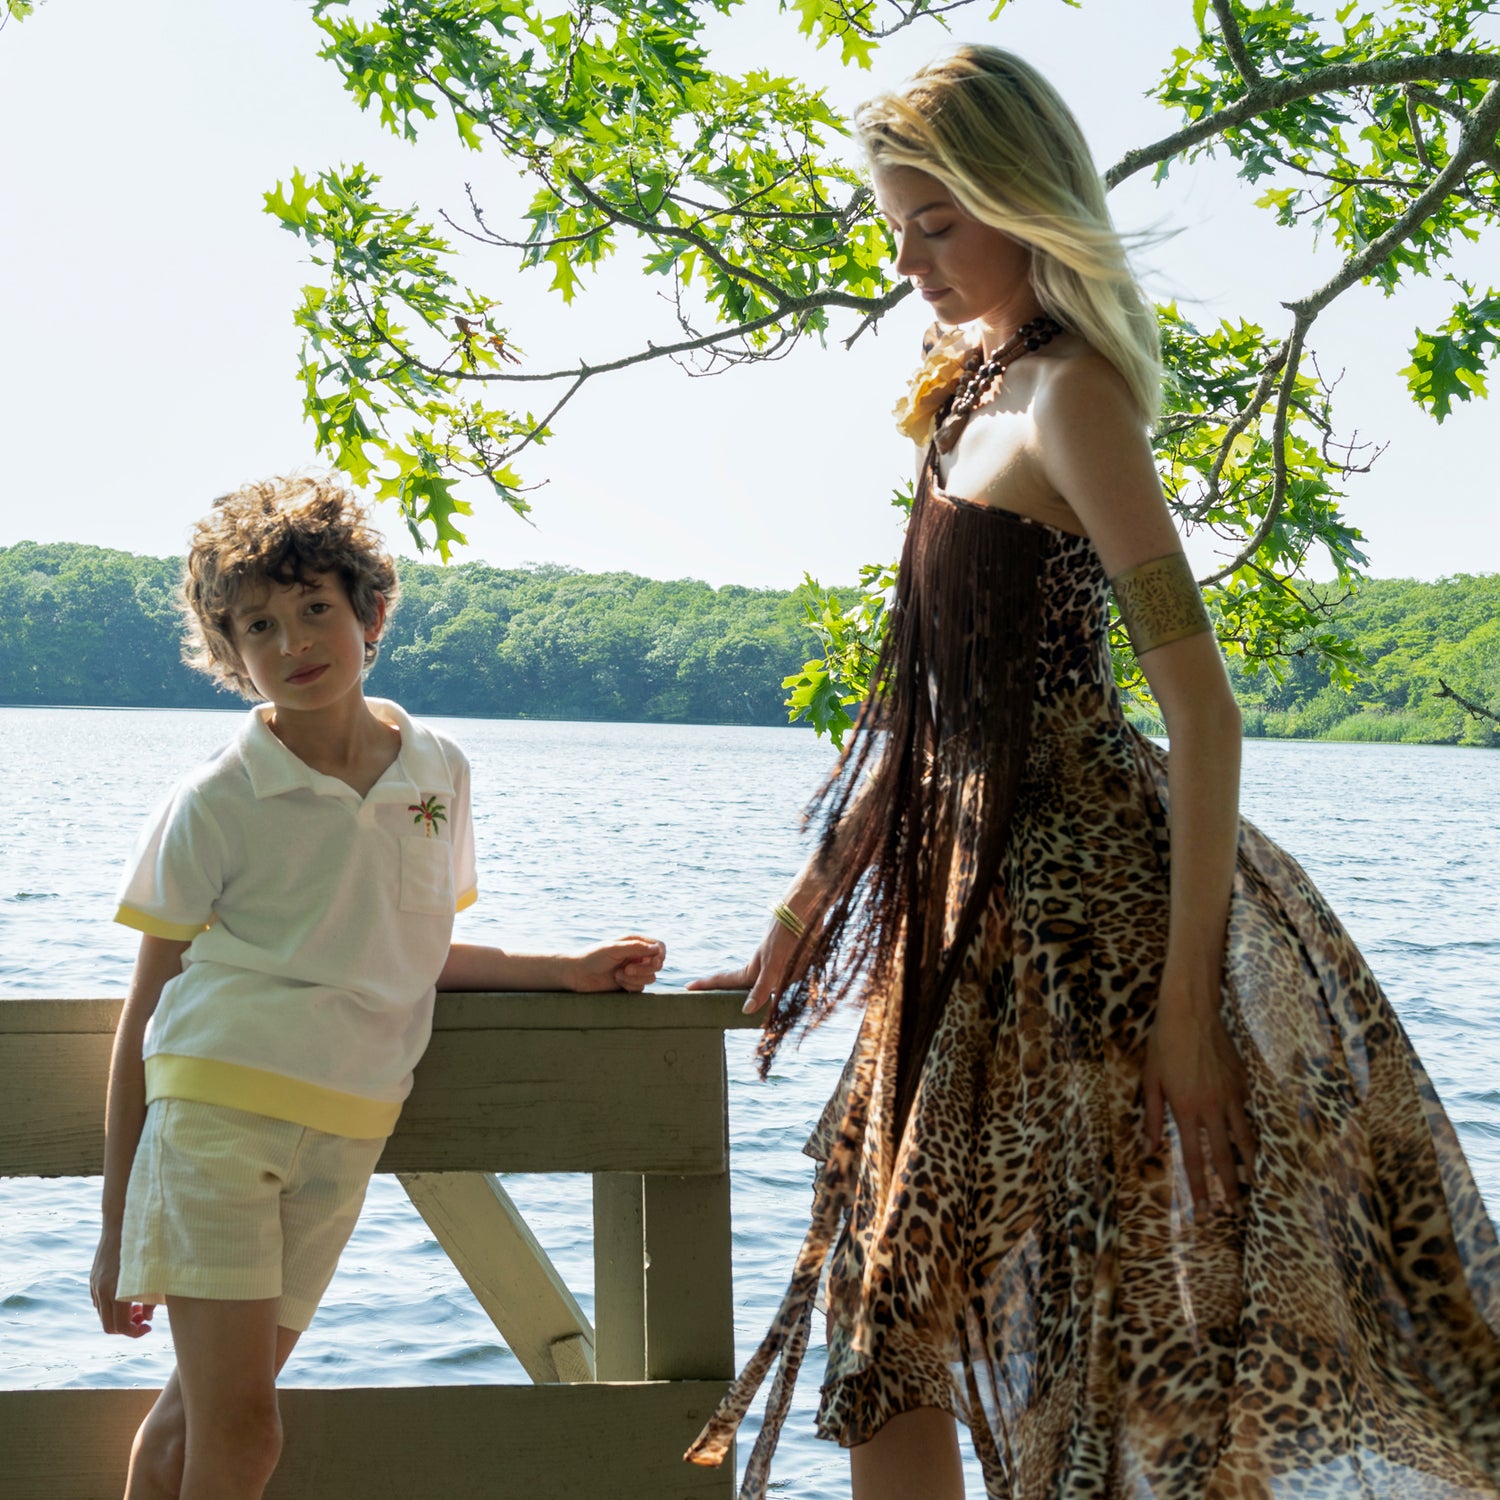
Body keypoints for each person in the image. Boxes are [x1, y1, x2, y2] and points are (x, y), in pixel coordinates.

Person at [685, 44, 1500, 1500]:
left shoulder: (1076, 399)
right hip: (965, 920)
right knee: (897, 1321)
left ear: (1022, 196)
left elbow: (1202, 705)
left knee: (1128, 1342)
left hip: (1093, 936)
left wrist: (1190, 1009)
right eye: (895, 228)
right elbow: (942, 718)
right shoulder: (960, 401)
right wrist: (810, 908)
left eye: (940, 221)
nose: (914, 259)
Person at [89, 476, 666, 1500]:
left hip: (347, 1135)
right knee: (244, 1434)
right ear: (232, 655)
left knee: (199, 1417)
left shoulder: (437, 768)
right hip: (217, 1122)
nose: (295, 640)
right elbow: (146, 1009)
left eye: (317, 608)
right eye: (260, 625)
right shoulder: (217, 798)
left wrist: (562, 971)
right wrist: (113, 1220)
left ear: (372, 614)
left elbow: (410, 948)